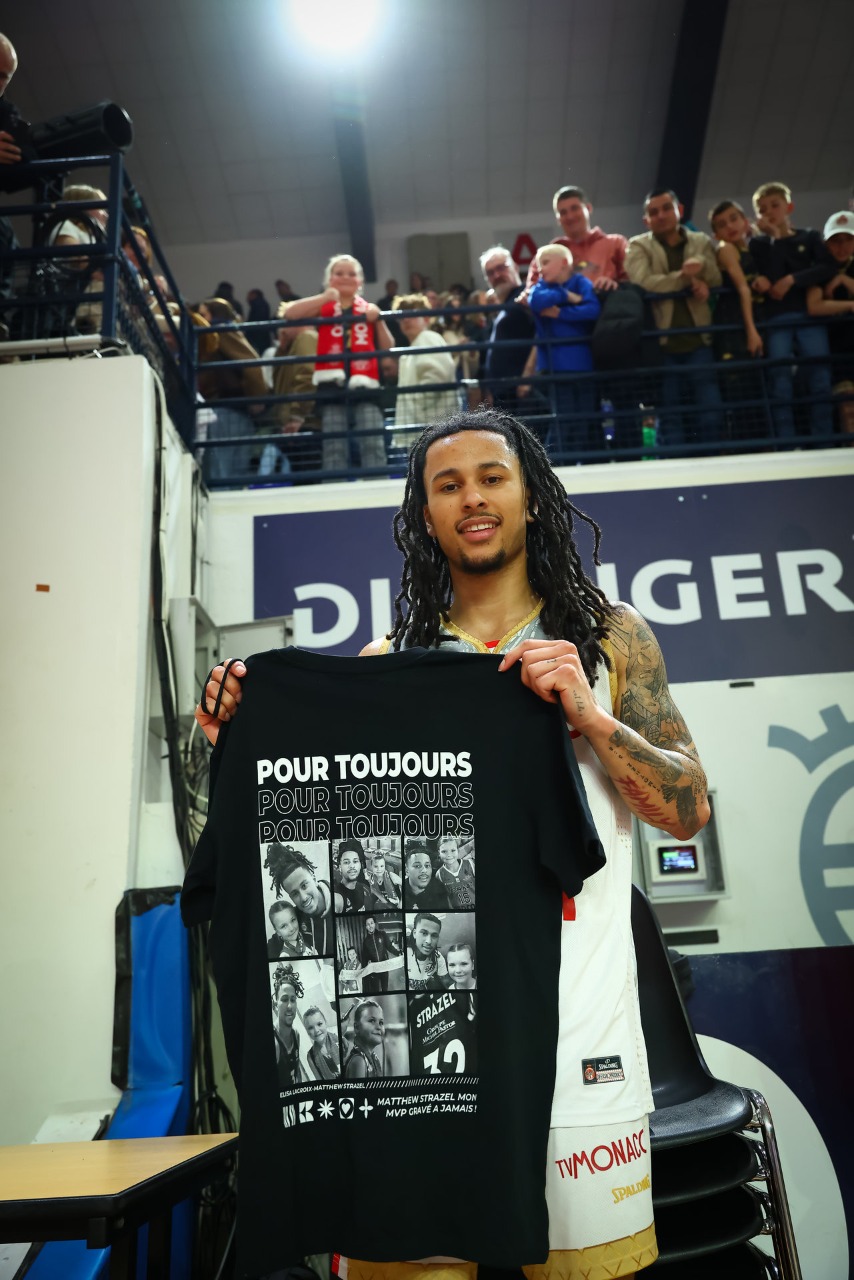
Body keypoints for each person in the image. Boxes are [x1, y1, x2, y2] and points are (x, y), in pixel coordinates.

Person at [197, 405, 711, 1277]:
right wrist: (245, 749)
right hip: (436, 1054)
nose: (472, 498)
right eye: (448, 485)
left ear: (531, 498)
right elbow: (338, 856)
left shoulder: (608, 638)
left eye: (492, 478)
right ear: (425, 515)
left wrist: (591, 720)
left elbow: (689, 809)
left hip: (580, 1029)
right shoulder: (389, 664)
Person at [626, 188, 725, 449]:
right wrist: (686, 278)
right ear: (646, 220)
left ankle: (716, 465)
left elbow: (717, 278)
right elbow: (643, 283)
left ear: (679, 210)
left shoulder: (700, 241)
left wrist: (702, 270)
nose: (661, 215)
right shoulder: (638, 245)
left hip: (701, 341)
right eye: (653, 212)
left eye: (666, 208)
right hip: (662, 346)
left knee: (711, 414)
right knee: (670, 418)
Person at [285, 254, 394, 473]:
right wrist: (324, 297)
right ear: (329, 279)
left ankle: (376, 485)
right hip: (331, 384)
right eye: (339, 273)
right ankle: (333, 487)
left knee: (372, 439)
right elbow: (290, 314)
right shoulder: (324, 305)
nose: (345, 277)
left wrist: (378, 319)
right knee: (334, 444)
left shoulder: (369, 308)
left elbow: (388, 346)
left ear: (360, 281)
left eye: (351, 274)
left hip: (366, 383)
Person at [750, 181, 836, 439]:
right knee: (780, 381)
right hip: (777, 318)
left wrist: (793, 280)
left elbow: (827, 267)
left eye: (774, 205)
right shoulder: (759, 244)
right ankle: (786, 444)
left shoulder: (809, 237)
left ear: (789, 207)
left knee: (820, 378)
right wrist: (776, 238)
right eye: (762, 209)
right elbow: (772, 279)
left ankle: (823, 441)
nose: (769, 212)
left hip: (809, 316)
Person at [529, 244, 601, 456]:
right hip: (555, 369)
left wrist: (560, 313)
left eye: (545, 262)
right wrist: (567, 296)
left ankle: (579, 466)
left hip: (583, 367)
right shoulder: (540, 287)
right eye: (539, 264)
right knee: (562, 420)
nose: (540, 268)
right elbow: (536, 301)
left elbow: (593, 310)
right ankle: (554, 467)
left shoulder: (581, 282)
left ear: (564, 263)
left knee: (584, 422)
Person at [195, 296, 268, 483]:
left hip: (225, 410)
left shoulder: (220, 331)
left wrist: (257, 399)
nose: (200, 320)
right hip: (233, 411)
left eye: (203, 314)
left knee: (220, 474)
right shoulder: (225, 332)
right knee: (233, 475)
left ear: (215, 315)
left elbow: (251, 365)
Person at [526, 185, 629, 293]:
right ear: (558, 219)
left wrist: (615, 285)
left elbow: (631, 281)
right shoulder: (546, 255)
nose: (570, 217)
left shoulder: (616, 243)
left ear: (588, 208)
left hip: (608, 300)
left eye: (575, 208)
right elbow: (531, 291)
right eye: (563, 212)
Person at [391, 293, 459, 450]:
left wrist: (417, 405)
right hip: (425, 431)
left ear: (426, 319)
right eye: (402, 317)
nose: (406, 320)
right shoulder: (414, 346)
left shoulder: (427, 338)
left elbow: (437, 377)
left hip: (430, 430)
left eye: (412, 315)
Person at [806, 210, 854, 435]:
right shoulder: (819, 271)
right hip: (838, 353)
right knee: (848, 410)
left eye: (848, 240)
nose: (842, 247)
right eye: (836, 241)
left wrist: (844, 280)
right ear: (826, 244)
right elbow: (814, 306)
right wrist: (850, 306)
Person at [479, 246, 538, 417]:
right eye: (490, 273)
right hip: (505, 394)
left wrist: (527, 376)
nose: (497, 275)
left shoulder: (526, 297)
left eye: (501, 268)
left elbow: (541, 334)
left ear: (516, 268)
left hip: (523, 392)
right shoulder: (504, 307)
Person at [263, 842, 336, 953]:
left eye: (304, 885)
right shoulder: (294, 919)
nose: (303, 898)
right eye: (295, 894)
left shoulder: (340, 899)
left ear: (313, 877)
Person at [272, 964, 306, 1088]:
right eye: (284, 999)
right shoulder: (274, 1043)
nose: (290, 1006)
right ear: (275, 1004)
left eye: (293, 999)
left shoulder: (296, 1035)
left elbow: (297, 1070)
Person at [343, 998, 385, 1079]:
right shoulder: (359, 1061)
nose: (379, 1027)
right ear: (356, 1027)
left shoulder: (374, 1058)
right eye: (372, 1021)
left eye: (381, 1022)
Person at [405, 912, 448, 992]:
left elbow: (445, 984)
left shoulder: (438, 958)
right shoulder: (405, 955)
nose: (429, 941)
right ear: (414, 933)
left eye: (434, 935)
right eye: (424, 933)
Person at [403, 842, 448, 911]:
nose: (424, 870)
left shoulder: (439, 888)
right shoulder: (400, 890)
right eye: (417, 866)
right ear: (407, 870)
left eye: (427, 866)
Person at [360, 915, 400, 992]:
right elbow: (365, 956)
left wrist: (398, 953)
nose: (370, 926)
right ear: (366, 927)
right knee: (375, 989)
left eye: (371, 923)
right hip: (374, 969)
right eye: (368, 924)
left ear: (375, 924)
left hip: (384, 965)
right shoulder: (366, 941)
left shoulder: (382, 934)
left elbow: (389, 947)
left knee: (385, 988)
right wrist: (367, 964)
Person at [434, 835, 476, 908]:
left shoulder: (470, 864)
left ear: (458, 850)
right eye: (444, 851)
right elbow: (446, 899)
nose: (449, 855)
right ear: (439, 853)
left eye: (453, 850)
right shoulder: (439, 874)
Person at [304, 1006, 341, 1080]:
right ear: (307, 1032)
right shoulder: (311, 1056)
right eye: (311, 1028)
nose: (316, 1030)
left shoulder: (338, 1038)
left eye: (319, 1024)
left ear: (325, 1023)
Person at [334, 838, 372, 912]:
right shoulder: (336, 897)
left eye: (355, 861)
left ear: (360, 865)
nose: (352, 866)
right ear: (339, 867)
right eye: (346, 862)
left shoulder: (364, 889)